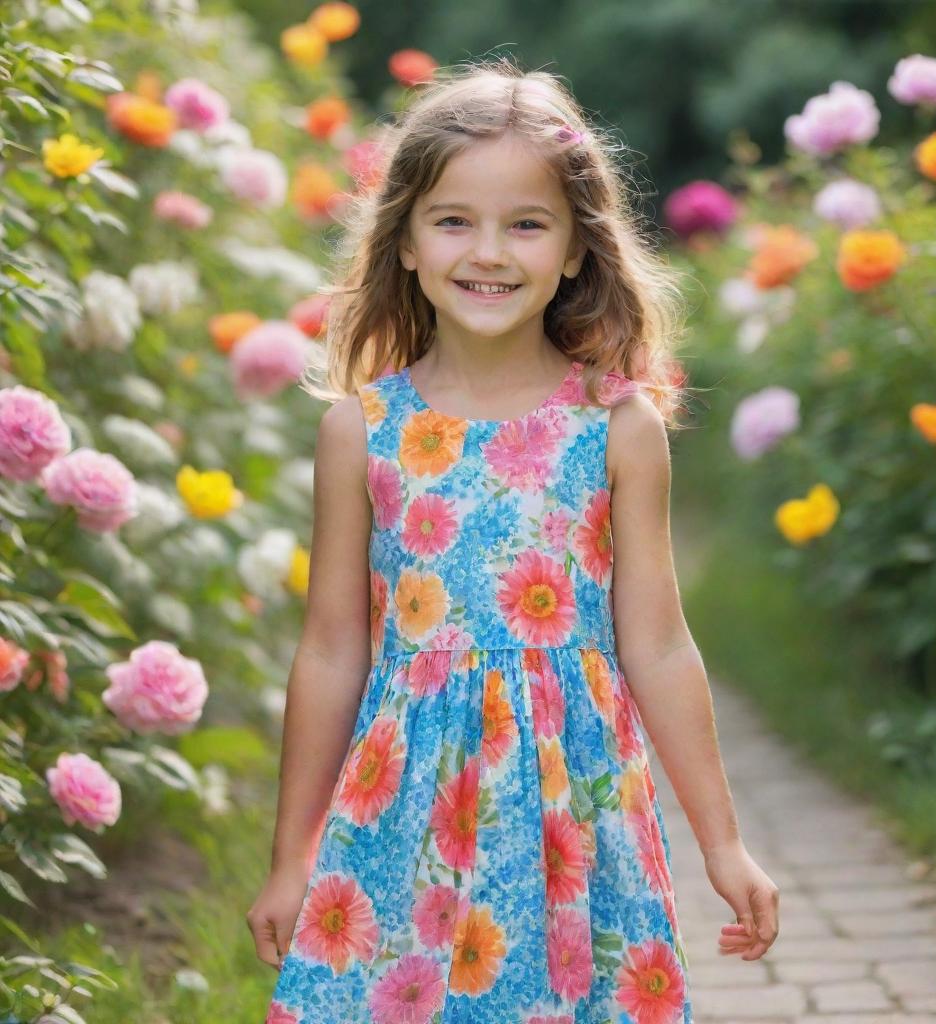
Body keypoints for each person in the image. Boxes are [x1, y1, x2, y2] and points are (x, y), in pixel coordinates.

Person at [249, 55, 779, 1024]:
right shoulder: (363, 429)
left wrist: (722, 843)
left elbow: (657, 643)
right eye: (453, 220)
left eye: (526, 223)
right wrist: (292, 860)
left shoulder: (616, 428)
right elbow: (331, 646)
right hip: (405, 812)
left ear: (579, 247)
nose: (487, 251)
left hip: (572, 814)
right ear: (403, 241)